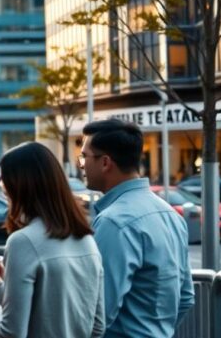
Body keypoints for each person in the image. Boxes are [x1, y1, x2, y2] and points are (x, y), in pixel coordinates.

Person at [79, 119, 194, 338]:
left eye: (85, 156)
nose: (82, 164)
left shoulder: (114, 222)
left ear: (105, 162)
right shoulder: (170, 214)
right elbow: (186, 297)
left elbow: (98, 312)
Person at [0, 142, 104, 337]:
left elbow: (12, 332)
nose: (4, 194)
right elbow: (97, 327)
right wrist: (2, 289)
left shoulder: (22, 242)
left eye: (5, 186)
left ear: (20, 188)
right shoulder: (87, 240)